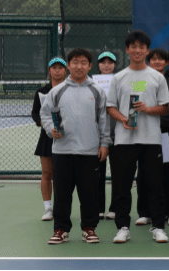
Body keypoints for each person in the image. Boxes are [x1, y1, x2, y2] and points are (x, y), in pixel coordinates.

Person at [106, 30, 169, 244]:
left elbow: (165, 108)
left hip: (152, 141)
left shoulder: (157, 77)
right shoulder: (118, 77)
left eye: (141, 47)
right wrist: (123, 119)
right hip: (124, 141)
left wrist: (147, 109)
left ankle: (159, 227)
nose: (137, 50)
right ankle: (123, 228)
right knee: (122, 186)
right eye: (133, 46)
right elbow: (110, 106)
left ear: (147, 50)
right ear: (127, 50)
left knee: (155, 185)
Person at [40, 49, 110, 245]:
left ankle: (89, 229)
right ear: (69, 65)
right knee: (62, 193)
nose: (79, 66)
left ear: (90, 66)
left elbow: (103, 120)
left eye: (83, 62)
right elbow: (45, 114)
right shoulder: (57, 91)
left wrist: (104, 143)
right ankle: (61, 229)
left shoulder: (97, 91)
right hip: (62, 151)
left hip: (89, 151)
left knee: (89, 193)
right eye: (75, 62)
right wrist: (51, 128)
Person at [139, 47, 169, 227]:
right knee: (144, 172)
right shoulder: (140, 81)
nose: (157, 62)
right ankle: (145, 212)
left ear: (166, 62)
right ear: (148, 61)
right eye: (153, 59)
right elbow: (135, 101)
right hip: (145, 132)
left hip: (166, 133)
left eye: (160, 59)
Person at [32, 57, 68, 222]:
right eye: (54, 68)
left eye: (61, 67)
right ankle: (48, 209)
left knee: (64, 175)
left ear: (65, 71)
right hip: (47, 137)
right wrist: (46, 125)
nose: (57, 70)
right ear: (49, 71)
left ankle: (62, 208)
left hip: (67, 137)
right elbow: (35, 113)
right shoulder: (41, 91)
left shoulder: (70, 89)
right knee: (47, 173)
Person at [95, 52, 117, 221]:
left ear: (114, 65)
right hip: (97, 136)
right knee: (97, 174)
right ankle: (99, 208)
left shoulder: (121, 81)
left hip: (118, 135)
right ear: (98, 65)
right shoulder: (91, 83)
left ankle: (114, 208)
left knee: (118, 173)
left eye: (110, 62)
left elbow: (140, 88)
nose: (107, 65)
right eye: (103, 62)